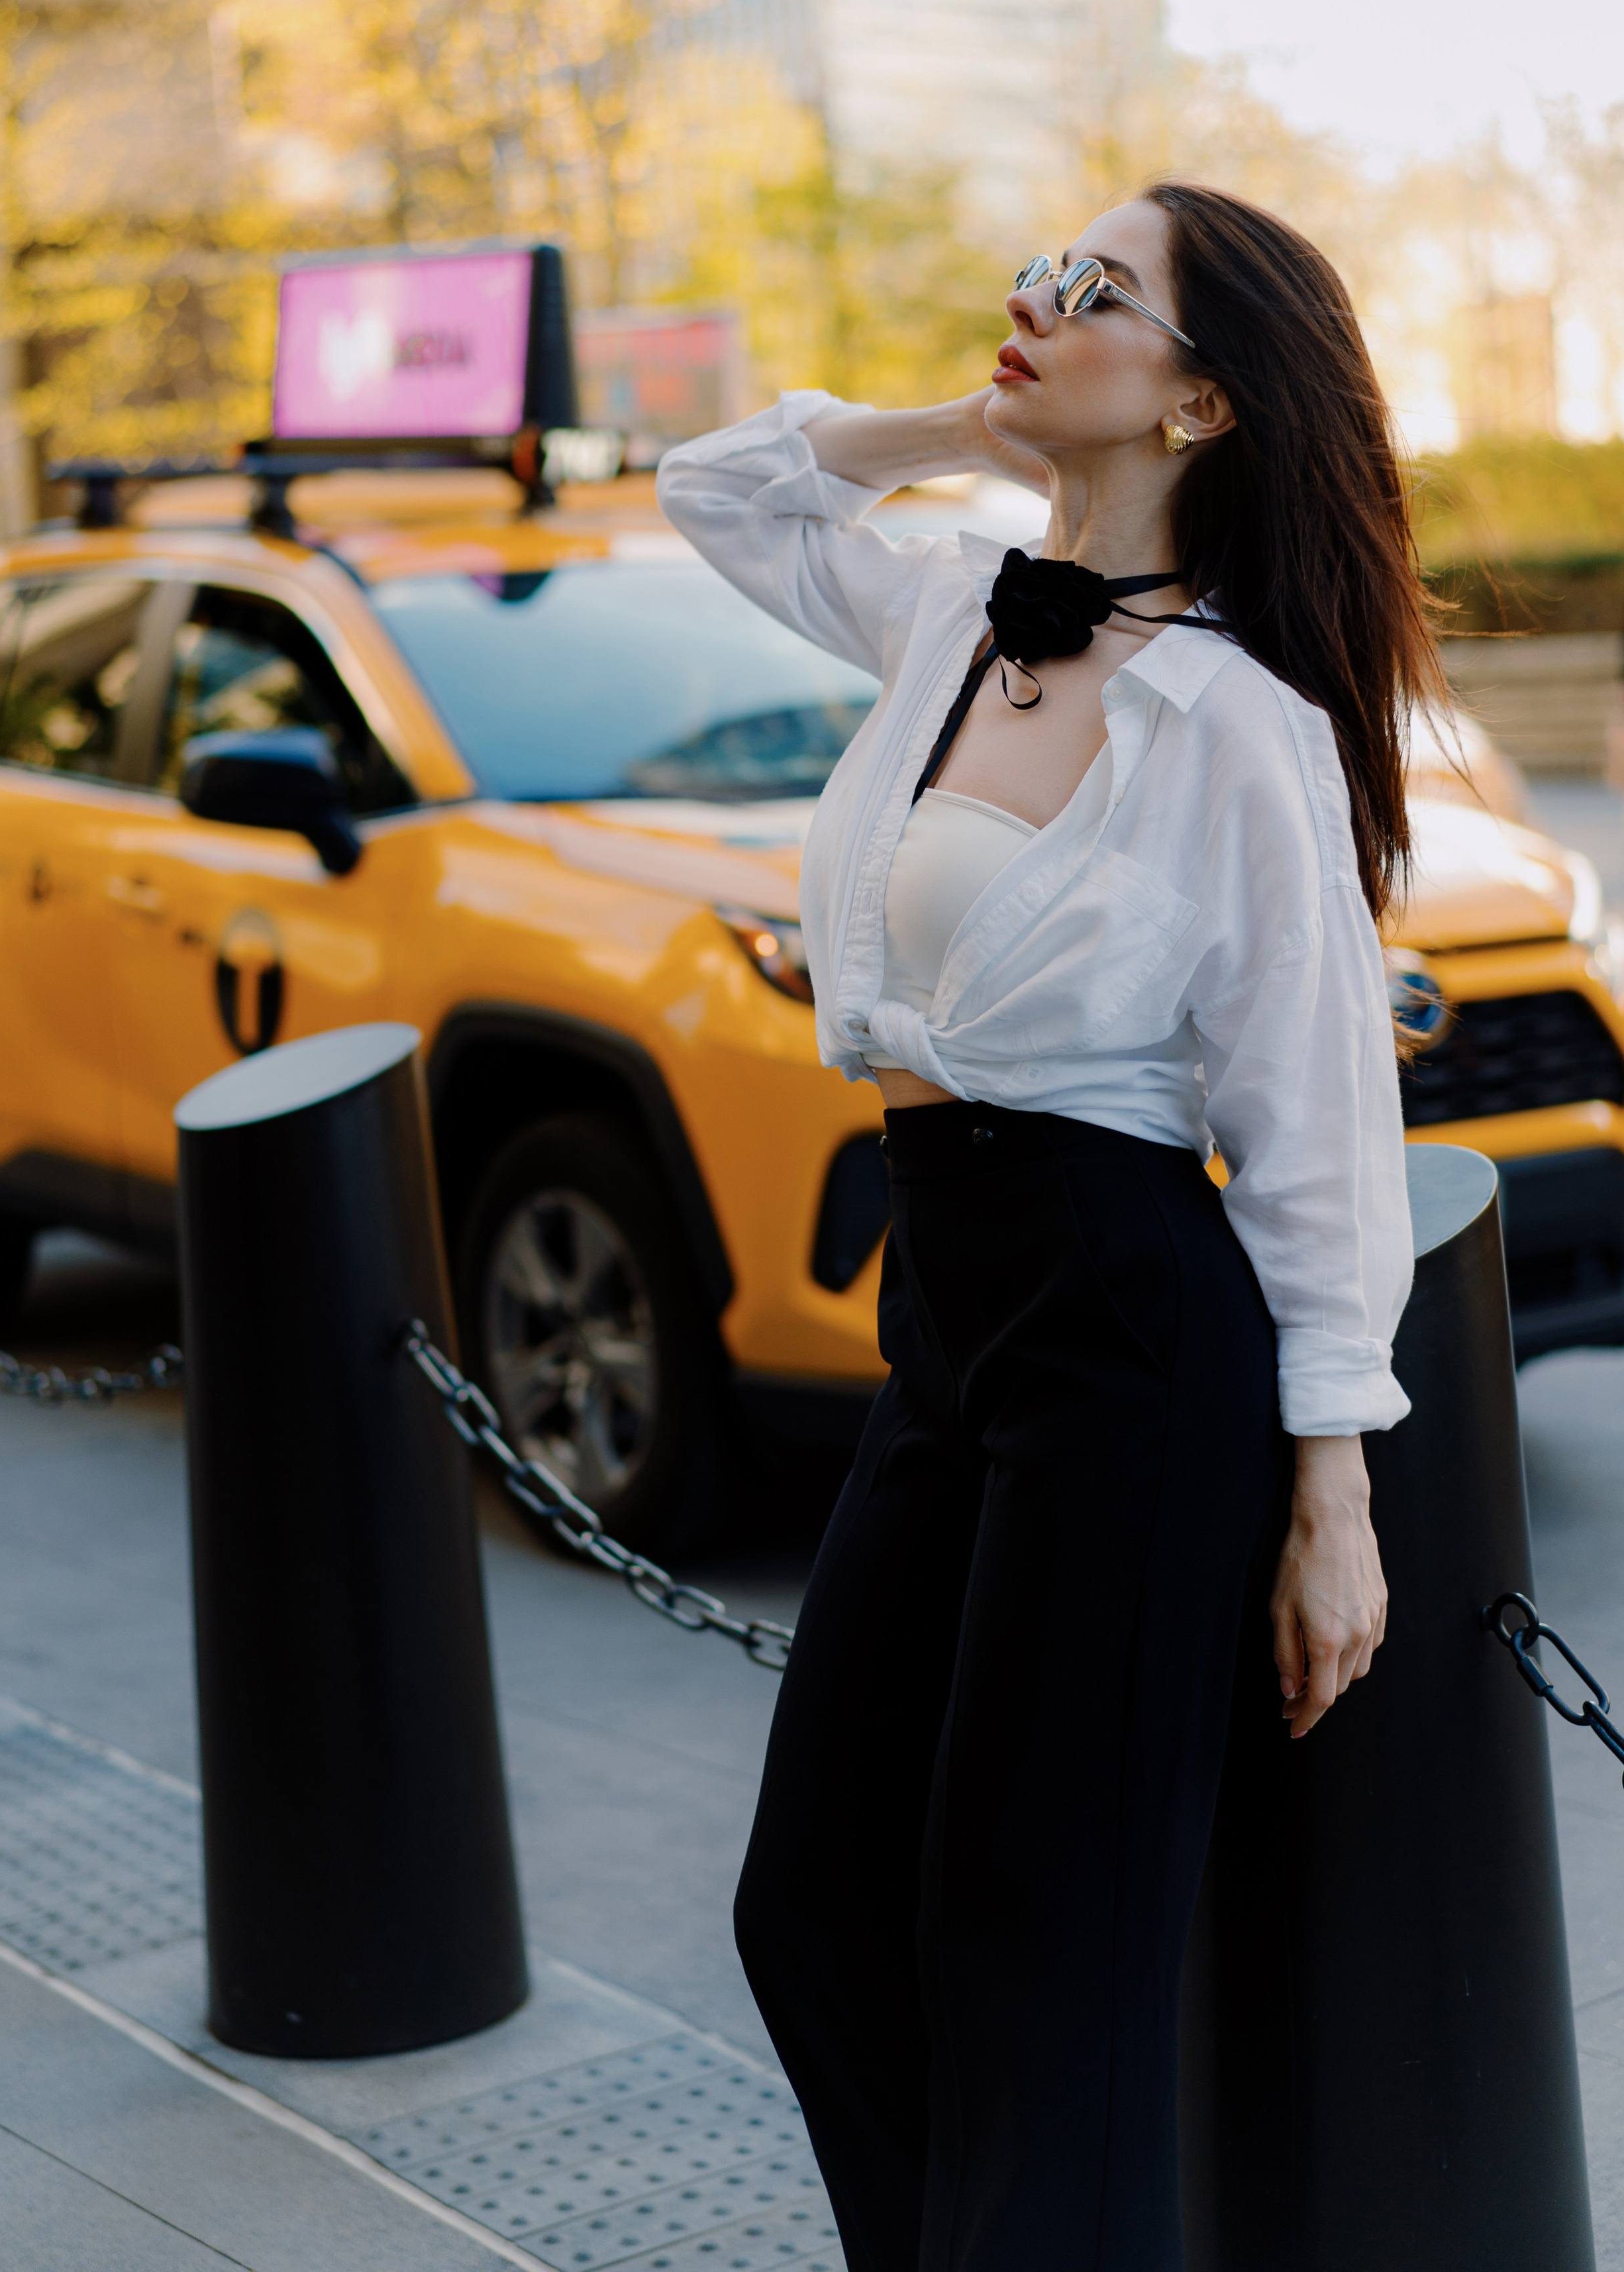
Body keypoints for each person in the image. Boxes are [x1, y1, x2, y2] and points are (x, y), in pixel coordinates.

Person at [657, 180, 1437, 2271]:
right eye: (1036, 264)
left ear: (1201, 403)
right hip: (953, 1303)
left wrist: (1329, 1482)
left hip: (1127, 1331)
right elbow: (714, 481)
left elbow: (1312, 1114)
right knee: (814, 1903)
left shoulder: (1244, 732)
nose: (1033, 299)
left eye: (1097, 293)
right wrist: (956, 420)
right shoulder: (953, 606)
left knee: (1041, 1955)